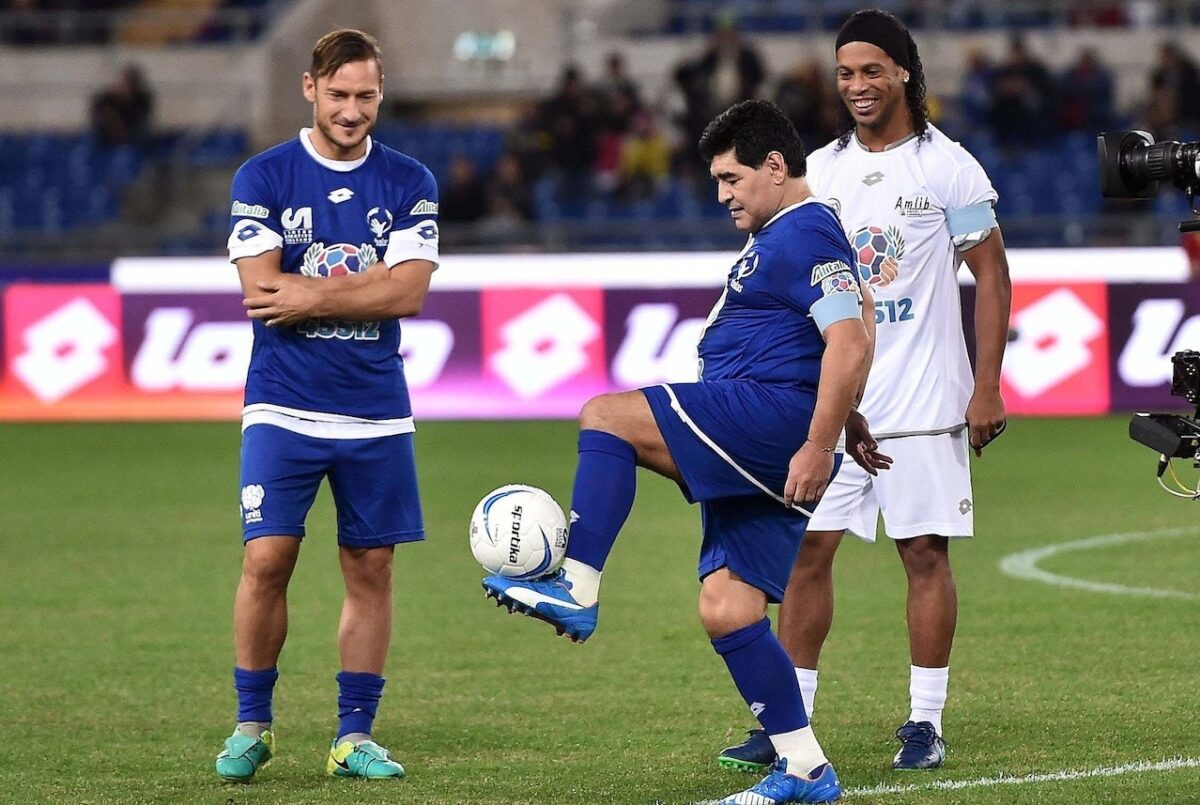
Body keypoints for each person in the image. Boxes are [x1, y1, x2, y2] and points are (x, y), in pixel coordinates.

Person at [483, 99, 879, 805]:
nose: (722, 194)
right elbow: (847, 328)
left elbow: (849, 337)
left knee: (608, 416)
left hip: (770, 423)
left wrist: (820, 439)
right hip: (780, 429)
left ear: (777, 167)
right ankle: (806, 768)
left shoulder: (805, 229)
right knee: (728, 608)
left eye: (731, 178)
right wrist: (845, 421)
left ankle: (576, 582)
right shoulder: (797, 235)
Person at [717, 9, 1011, 773]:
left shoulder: (948, 167)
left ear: (904, 71)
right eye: (845, 73)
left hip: (923, 399)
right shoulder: (821, 172)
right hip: (836, 403)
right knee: (805, 555)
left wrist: (986, 384)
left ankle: (924, 721)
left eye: (871, 70)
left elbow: (994, 278)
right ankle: (789, 722)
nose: (856, 86)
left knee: (923, 554)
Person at [215, 28, 439, 782]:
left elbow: (407, 291)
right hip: (283, 401)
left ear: (381, 94)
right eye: (338, 95)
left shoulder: (410, 180)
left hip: (376, 407)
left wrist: (311, 290)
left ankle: (354, 736)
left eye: (365, 96)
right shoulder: (265, 173)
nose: (351, 110)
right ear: (309, 88)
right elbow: (260, 291)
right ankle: (252, 722)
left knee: (370, 565)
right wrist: (356, 289)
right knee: (268, 556)